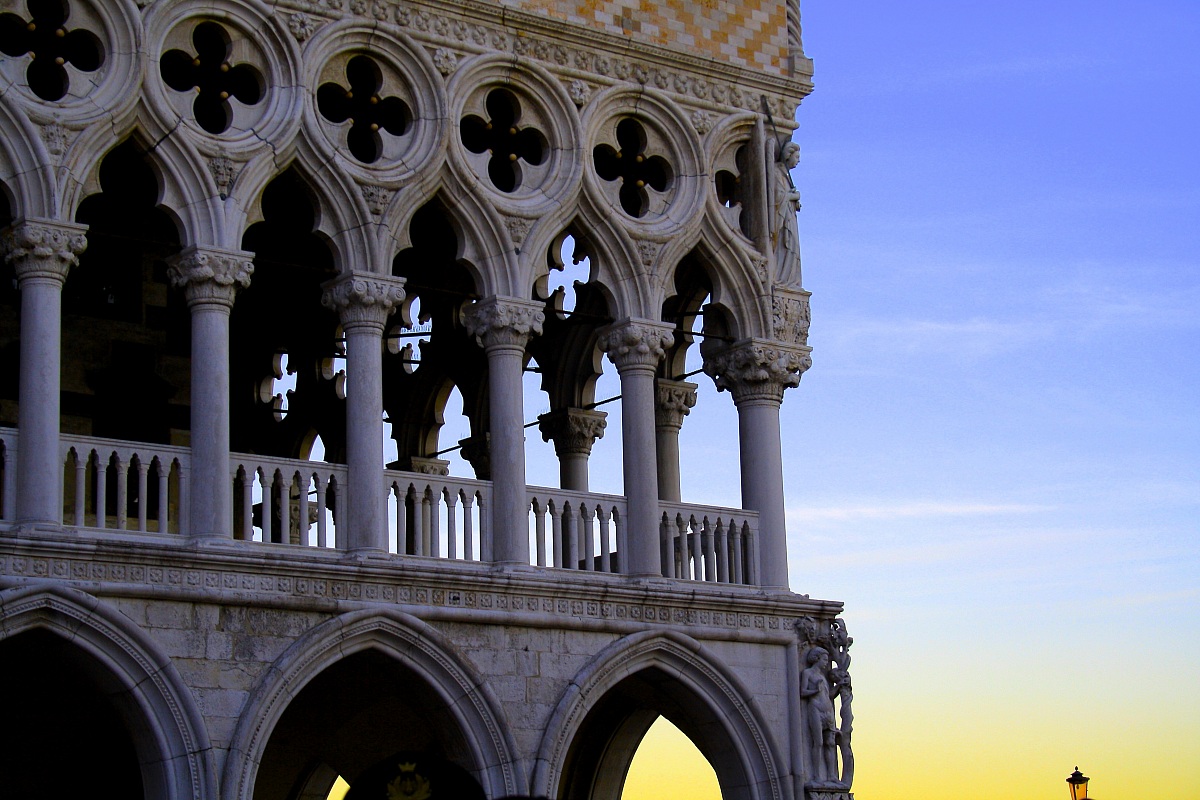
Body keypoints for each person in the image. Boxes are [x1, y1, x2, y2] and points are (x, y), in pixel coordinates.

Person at [799, 646, 838, 783]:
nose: (826, 662)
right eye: (824, 659)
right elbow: (803, 692)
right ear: (817, 659)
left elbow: (829, 695)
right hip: (815, 709)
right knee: (818, 742)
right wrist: (815, 690)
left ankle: (831, 775)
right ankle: (816, 775)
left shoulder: (822, 676)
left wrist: (839, 686)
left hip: (828, 711)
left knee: (831, 743)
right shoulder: (808, 673)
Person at [770, 140, 802, 287]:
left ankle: (789, 280)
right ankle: (782, 279)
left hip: (789, 217)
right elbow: (776, 197)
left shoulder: (786, 175)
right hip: (782, 219)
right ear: (788, 156)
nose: (798, 160)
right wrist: (793, 196)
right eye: (796, 157)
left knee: (792, 246)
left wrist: (793, 201)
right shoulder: (776, 172)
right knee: (786, 245)